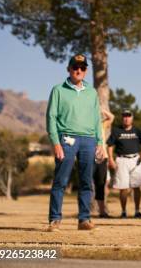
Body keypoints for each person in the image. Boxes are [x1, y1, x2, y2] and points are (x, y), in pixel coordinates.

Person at [46, 54, 105, 232]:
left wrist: (100, 142)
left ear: (86, 71)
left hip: (89, 140)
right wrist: (56, 143)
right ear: (69, 69)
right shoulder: (58, 90)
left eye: (82, 68)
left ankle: (84, 220)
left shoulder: (92, 92)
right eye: (75, 67)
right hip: (67, 139)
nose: (78, 70)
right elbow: (51, 117)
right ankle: (55, 219)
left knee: (87, 181)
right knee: (61, 180)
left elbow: (96, 119)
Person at [107, 109, 141, 218]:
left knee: (137, 186)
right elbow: (110, 145)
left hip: (136, 160)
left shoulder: (137, 130)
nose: (126, 118)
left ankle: (137, 211)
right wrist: (110, 159)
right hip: (122, 160)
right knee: (123, 187)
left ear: (132, 118)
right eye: (124, 116)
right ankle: (124, 211)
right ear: (122, 118)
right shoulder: (116, 131)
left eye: (128, 116)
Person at [93, 108, 114, 218]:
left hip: (102, 157)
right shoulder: (84, 125)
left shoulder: (102, 124)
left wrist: (100, 108)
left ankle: (102, 212)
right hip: (88, 157)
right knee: (86, 184)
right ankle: (85, 213)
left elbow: (111, 117)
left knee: (101, 185)